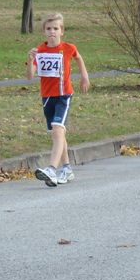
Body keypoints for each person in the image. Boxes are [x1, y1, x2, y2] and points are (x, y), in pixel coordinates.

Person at [26, 13, 90, 186]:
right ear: (44, 32)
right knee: (58, 133)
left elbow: (78, 57)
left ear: (62, 31)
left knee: (57, 131)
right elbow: (30, 76)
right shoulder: (40, 51)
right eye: (48, 29)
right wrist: (30, 59)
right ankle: (67, 168)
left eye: (55, 28)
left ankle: (51, 169)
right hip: (47, 97)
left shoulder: (68, 48)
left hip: (64, 95)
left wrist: (84, 76)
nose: (52, 32)